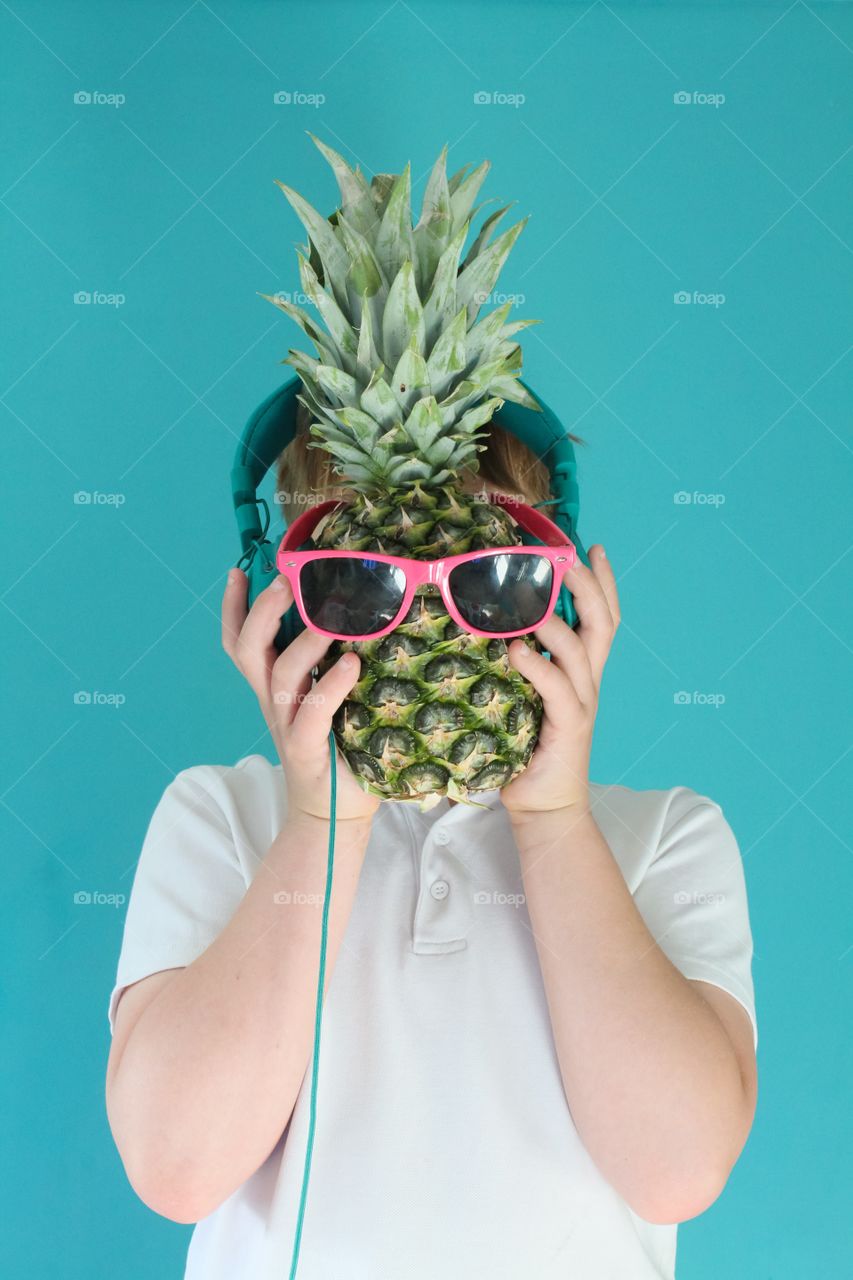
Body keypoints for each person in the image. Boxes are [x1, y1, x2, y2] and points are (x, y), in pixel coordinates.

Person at [104, 417, 758, 1280]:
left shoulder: (668, 834)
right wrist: (321, 825)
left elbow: (674, 1170)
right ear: (272, 597)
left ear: (564, 596)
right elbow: (176, 1168)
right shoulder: (218, 815)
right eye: (358, 578)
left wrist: (555, 822)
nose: (427, 629)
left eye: (489, 576)